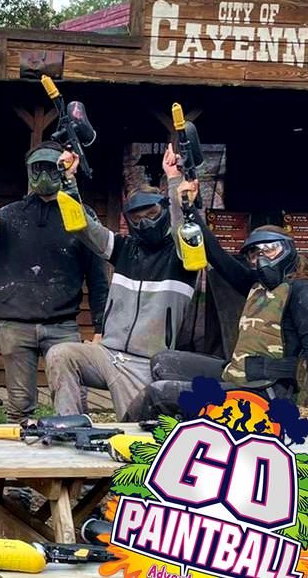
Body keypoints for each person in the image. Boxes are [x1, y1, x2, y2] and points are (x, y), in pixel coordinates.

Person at [0, 143, 110, 423]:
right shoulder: (9, 216)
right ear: (29, 171)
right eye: (38, 168)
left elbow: (98, 277)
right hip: (15, 325)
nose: (44, 174)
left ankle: (70, 451)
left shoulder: (78, 216)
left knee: (72, 407)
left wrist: (100, 328)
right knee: (19, 409)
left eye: (51, 167)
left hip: (62, 325)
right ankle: (22, 452)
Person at [46, 146, 198, 421]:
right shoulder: (124, 248)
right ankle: (69, 426)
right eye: (137, 217)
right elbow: (83, 227)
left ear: (164, 210)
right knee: (61, 354)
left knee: (136, 433)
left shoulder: (181, 255)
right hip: (107, 353)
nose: (145, 222)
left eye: (152, 213)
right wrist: (68, 180)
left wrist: (175, 179)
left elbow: (182, 227)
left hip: (146, 363)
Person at [144, 219, 308, 420]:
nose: (261, 259)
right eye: (254, 255)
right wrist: (191, 212)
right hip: (239, 375)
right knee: (163, 361)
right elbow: (219, 257)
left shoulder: (303, 292)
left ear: (287, 250)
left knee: (159, 393)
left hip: (267, 393)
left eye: (269, 250)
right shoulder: (257, 287)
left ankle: (146, 435)